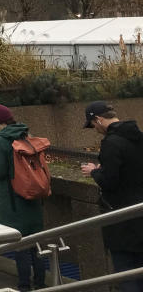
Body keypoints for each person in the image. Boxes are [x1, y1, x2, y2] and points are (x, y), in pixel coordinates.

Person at [80, 101, 143, 291]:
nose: (94, 129)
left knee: (126, 273)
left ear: (98, 120)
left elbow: (110, 181)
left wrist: (94, 172)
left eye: (92, 124)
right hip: (140, 212)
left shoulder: (111, 142)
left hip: (122, 219)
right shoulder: (138, 136)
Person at [0, 104, 45, 291]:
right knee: (36, 242)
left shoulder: (3, 140)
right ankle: (41, 282)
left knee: (19, 244)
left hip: (14, 199)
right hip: (34, 196)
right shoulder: (26, 134)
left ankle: (24, 284)